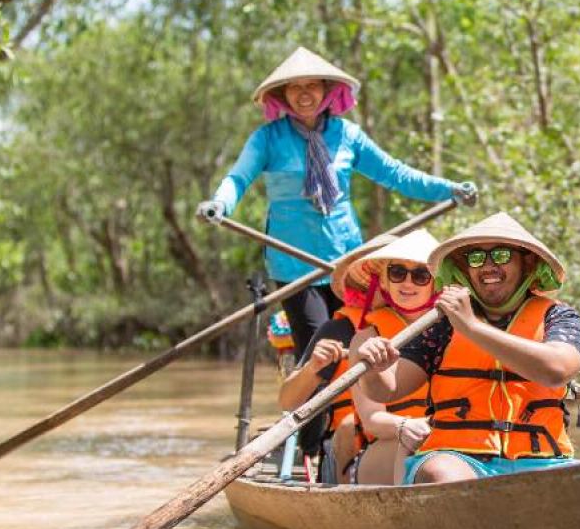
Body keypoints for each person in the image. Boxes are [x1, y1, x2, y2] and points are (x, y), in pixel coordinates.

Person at [197, 46, 476, 357]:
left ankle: (355, 405)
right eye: (295, 87)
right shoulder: (268, 138)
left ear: (327, 90)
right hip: (294, 263)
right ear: (283, 94)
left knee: (355, 338)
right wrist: (220, 204)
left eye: (312, 85)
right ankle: (316, 406)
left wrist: (450, 189)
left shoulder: (348, 135)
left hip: (346, 260)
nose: (304, 94)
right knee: (320, 348)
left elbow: (396, 174)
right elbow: (238, 178)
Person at [353, 212, 580, 484]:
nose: (488, 266)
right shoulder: (442, 324)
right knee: (442, 474)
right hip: (458, 457)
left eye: (501, 255)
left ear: (528, 261)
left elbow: (557, 370)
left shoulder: (558, 317)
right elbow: (387, 389)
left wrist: (472, 328)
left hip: (542, 459)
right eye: (476, 258)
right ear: (465, 269)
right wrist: (373, 368)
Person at [277, 231, 439, 484]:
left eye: (420, 275)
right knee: (346, 426)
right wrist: (311, 369)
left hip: (433, 434)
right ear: (381, 280)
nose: (407, 283)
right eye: (397, 273)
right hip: (361, 443)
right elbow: (288, 402)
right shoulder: (343, 331)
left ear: (433, 282)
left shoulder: (446, 327)